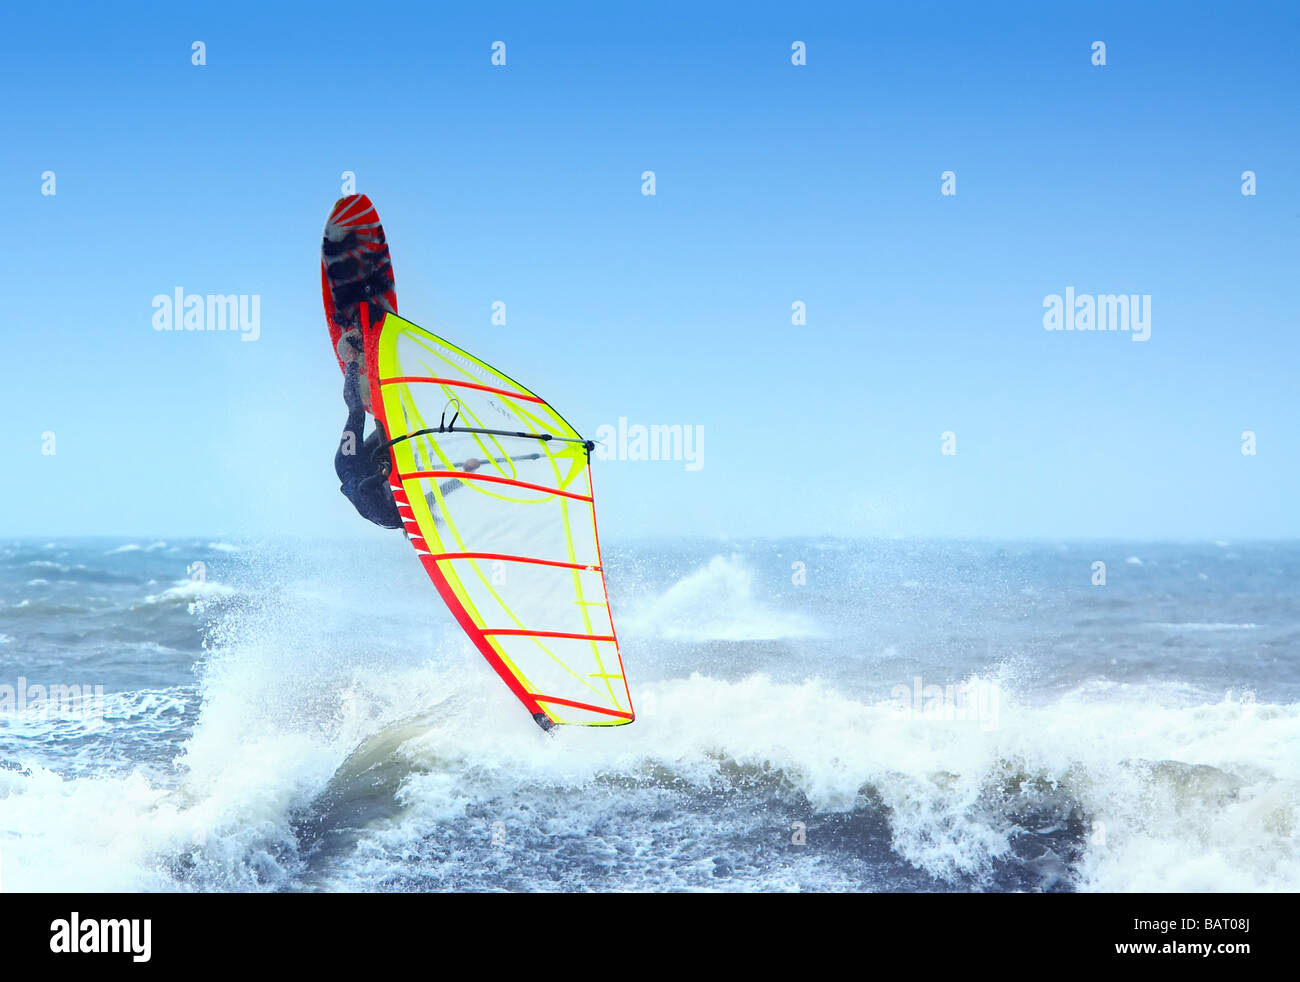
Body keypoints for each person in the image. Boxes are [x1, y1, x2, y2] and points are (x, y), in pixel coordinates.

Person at [335, 334, 403, 529]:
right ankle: (379, 404)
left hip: (349, 463)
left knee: (357, 413)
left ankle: (352, 359)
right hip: (371, 465)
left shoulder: (388, 516)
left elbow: (364, 489)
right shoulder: (403, 513)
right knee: (390, 431)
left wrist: (383, 475)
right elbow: (435, 494)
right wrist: (463, 473)